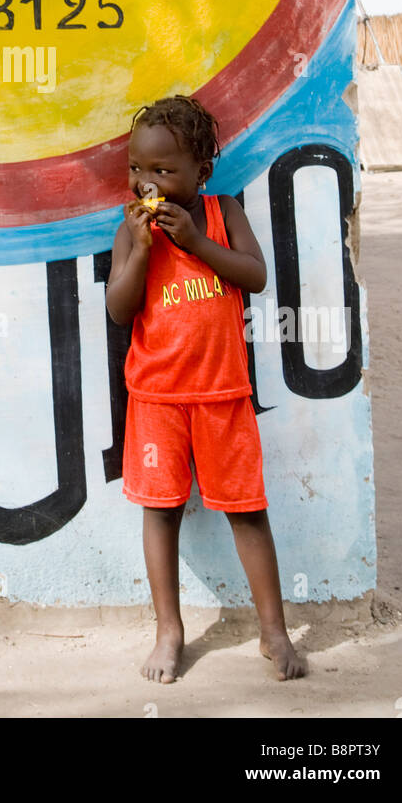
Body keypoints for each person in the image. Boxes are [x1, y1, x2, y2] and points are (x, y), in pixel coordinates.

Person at [106, 93, 305, 683]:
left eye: (164, 171)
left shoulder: (222, 214)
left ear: (201, 173)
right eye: (138, 170)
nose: (148, 184)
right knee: (160, 510)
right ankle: (169, 630)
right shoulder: (130, 230)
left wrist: (195, 241)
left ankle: (274, 630)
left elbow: (256, 275)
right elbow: (120, 310)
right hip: (157, 399)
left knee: (247, 512)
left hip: (223, 395)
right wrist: (141, 251)